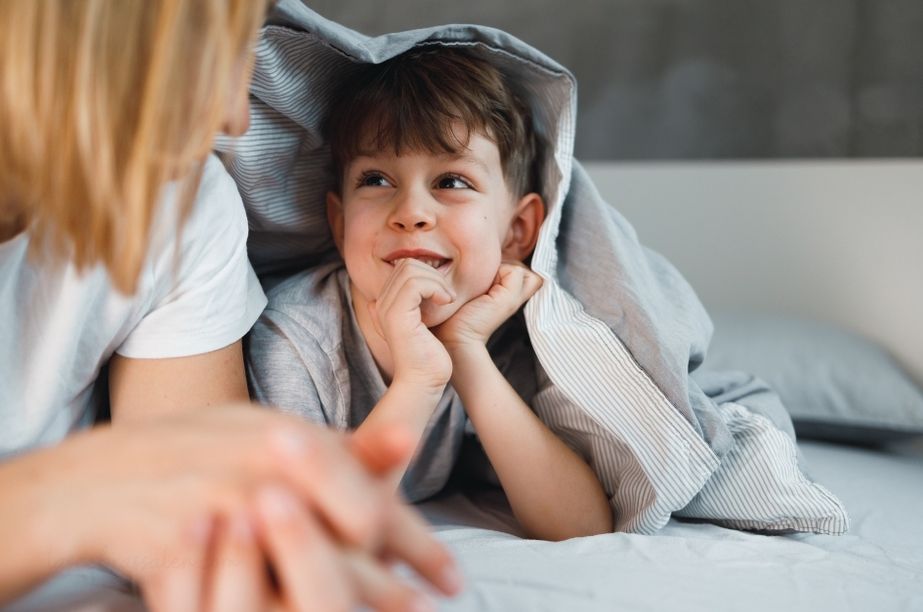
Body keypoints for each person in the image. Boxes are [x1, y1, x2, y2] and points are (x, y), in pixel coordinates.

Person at [0, 2, 460, 610]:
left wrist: (251, 567)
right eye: (198, 53)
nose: (233, 118)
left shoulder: (181, 206)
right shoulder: (297, 331)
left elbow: (188, 524)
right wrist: (64, 496)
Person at [246, 48, 614, 541]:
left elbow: (582, 528)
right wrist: (419, 380)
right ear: (340, 222)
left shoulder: (506, 331)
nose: (411, 212)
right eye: (376, 180)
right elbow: (313, 535)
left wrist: (465, 352)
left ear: (517, 231)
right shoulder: (292, 339)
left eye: (451, 181)